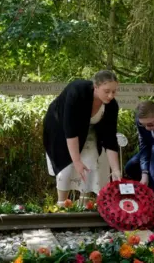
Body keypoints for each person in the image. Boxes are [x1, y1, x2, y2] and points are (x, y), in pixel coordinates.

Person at [43, 70, 122, 207]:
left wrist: (115, 170)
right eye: (107, 91)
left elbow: (110, 139)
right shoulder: (77, 91)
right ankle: (62, 204)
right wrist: (77, 161)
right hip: (60, 128)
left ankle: (84, 204)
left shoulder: (112, 106)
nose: (110, 96)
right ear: (96, 87)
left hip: (89, 129)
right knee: (67, 165)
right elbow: (70, 130)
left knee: (91, 161)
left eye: (114, 92)